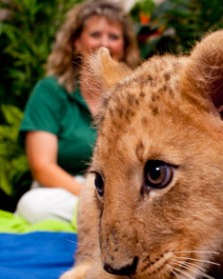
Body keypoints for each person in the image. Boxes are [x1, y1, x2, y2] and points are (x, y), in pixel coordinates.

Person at [15, 0, 139, 225]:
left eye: (114, 36)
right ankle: (102, 222)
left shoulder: (135, 95)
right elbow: (43, 167)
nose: (105, 43)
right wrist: (95, 196)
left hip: (124, 192)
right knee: (33, 205)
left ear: (125, 46)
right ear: (75, 42)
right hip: (66, 191)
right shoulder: (50, 91)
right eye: (95, 34)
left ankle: (104, 222)